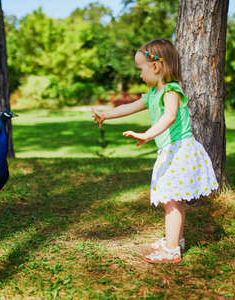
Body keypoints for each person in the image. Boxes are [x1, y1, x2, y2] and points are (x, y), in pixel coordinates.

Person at [91, 39, 218, 264]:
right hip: (172, 151)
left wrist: (147, 134)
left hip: (180, 152)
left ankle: (171, 250)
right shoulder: (152, 94)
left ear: (156, 67)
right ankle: (175, 240)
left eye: (141, 69)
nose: (140, 75)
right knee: (172, 200)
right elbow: (129, 107)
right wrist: (106, 115)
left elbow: (169, 117)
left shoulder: (171, 91)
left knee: (171, 201)